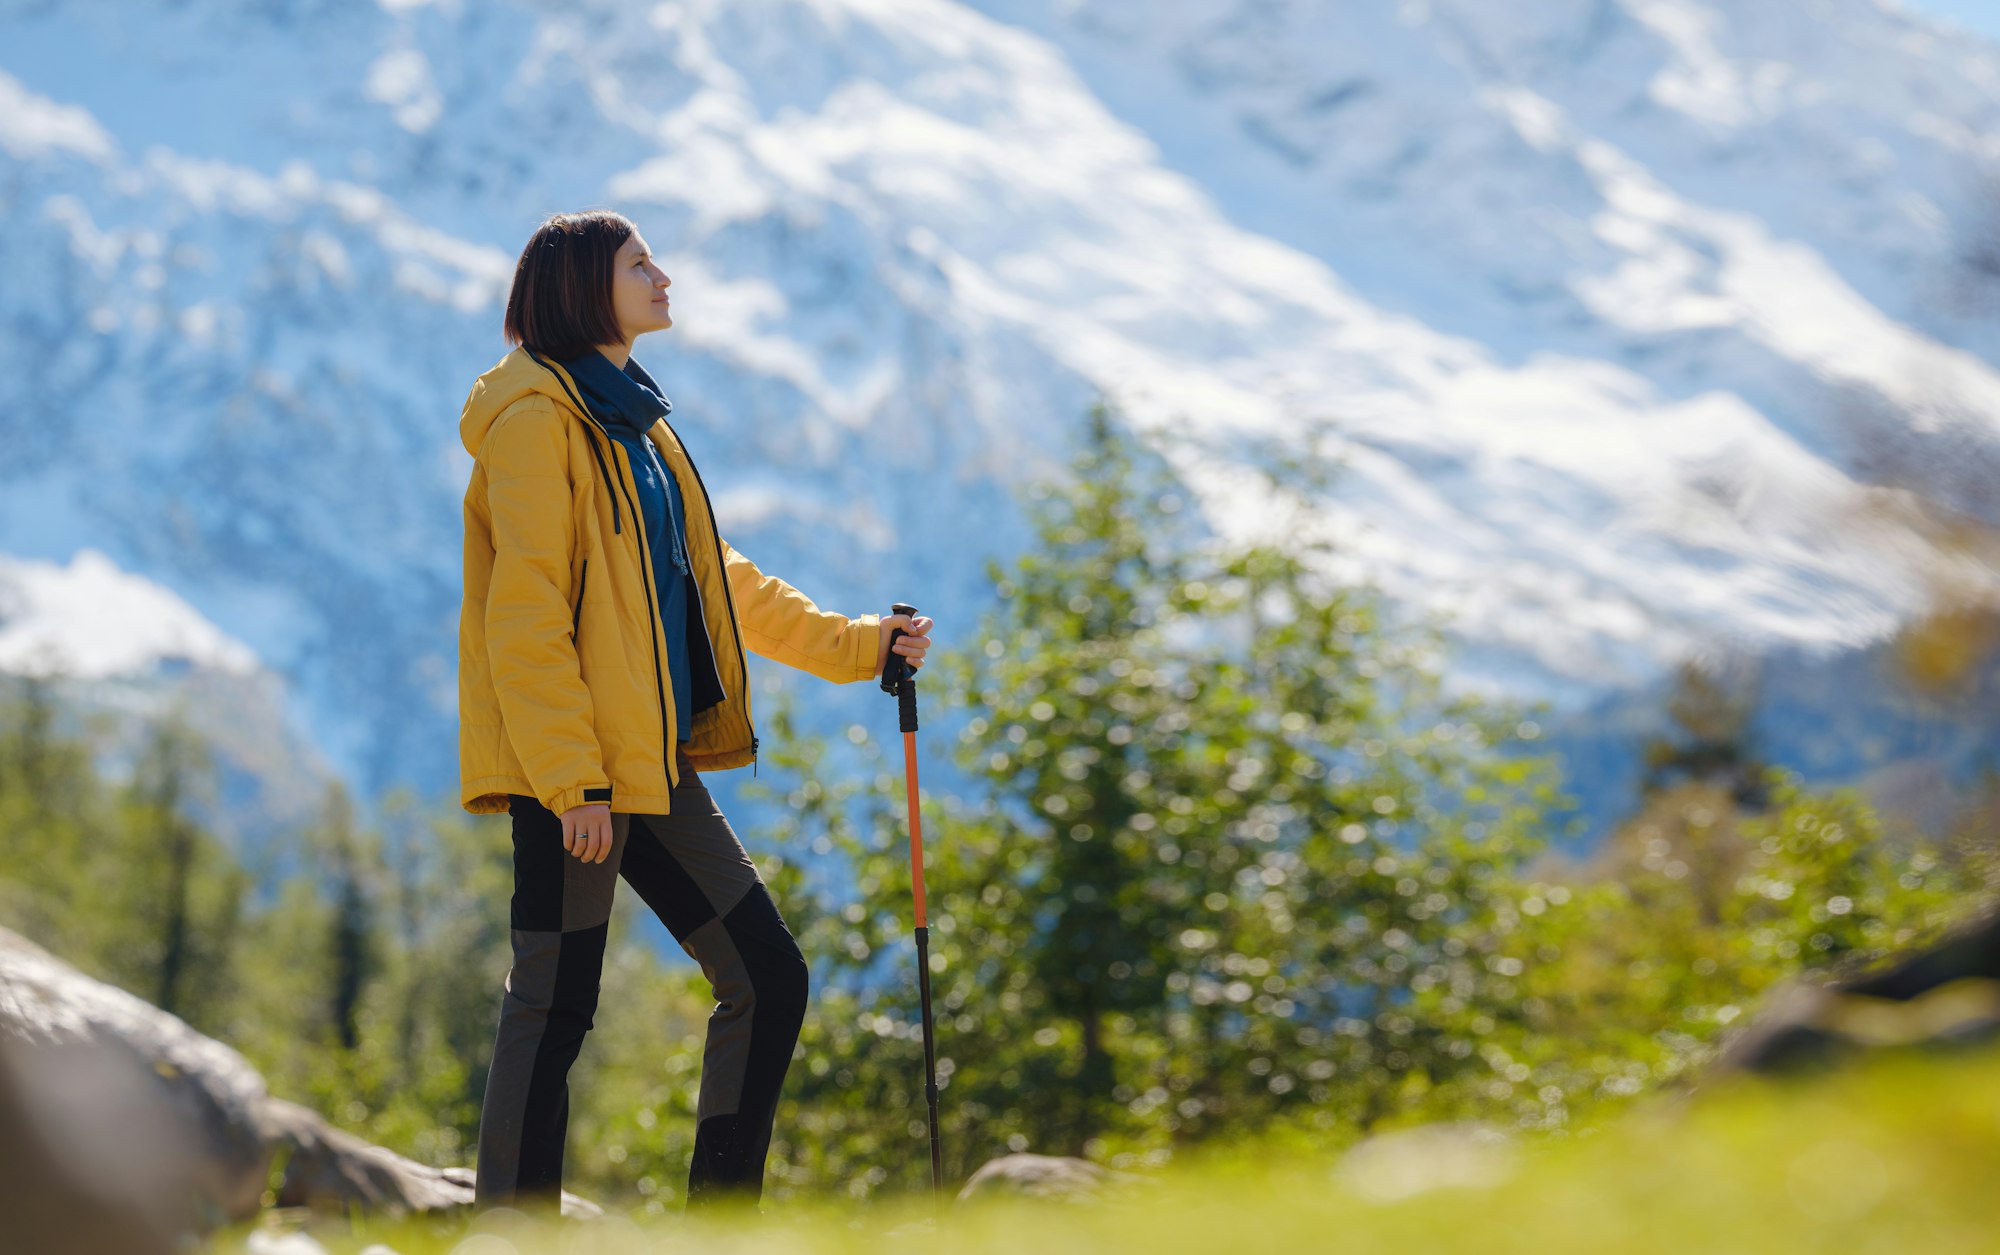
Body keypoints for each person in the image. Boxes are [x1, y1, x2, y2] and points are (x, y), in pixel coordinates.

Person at [456, 208, 933, 1214]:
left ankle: (719, 1224)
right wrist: (571, 778)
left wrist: (858, 647)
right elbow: (526, 615)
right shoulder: (538, 420)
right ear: (586, 284)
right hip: (579, 767)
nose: (663, 276)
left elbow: (715, 581)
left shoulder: (635, 421)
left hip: (647, 758)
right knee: (554, 1002)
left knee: (766, 977)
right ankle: (510, 1232)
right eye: (639, 264)